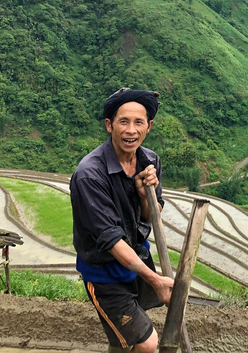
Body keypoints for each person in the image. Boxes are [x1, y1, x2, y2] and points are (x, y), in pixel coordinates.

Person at [70, 88, 174, 353]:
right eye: (123, 122)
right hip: (104, 273)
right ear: (109, 125)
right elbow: (111, 239)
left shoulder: (149, 161)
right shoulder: (90, 175)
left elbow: (152, 218)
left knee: (122, 340)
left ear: (148, 126)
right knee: (146, 343)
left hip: (135, 263)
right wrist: (156, 280)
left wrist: (144, 197)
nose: (131, 130)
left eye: (138, 122)